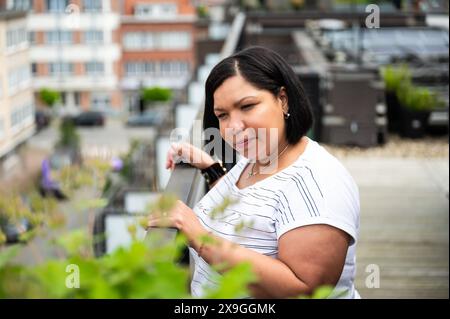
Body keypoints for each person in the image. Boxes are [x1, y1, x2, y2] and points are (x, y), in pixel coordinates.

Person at [148, 46, 360, 299]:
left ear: (283, 99)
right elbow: (250, 206)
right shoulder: (259, 158)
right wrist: (210, 168)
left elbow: (302, 289)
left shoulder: (319, 183)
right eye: (223, 115)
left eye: (247, 106)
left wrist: (200, 237)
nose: (234, 127)